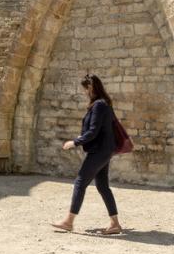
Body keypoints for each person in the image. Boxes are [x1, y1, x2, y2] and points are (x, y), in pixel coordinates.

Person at [52, 74, 122, 235]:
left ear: (90, 87)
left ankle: (68, 222)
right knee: (103, 186)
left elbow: (93, 131)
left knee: (80, 182)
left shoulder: (99, 105)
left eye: (85, 88)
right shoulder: (105, 104)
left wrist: (75, 142)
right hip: (105, 150)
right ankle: (115, 224)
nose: (84, 92)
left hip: (99, 151)